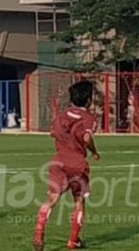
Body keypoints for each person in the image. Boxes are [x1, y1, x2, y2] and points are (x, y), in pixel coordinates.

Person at [33, 81, 100, 251]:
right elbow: (86, 138)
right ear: (88, 100)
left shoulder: (61, 115)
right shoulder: (89, 118)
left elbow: (52, 133)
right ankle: (73, 241)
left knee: (52, 198)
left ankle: (39, 231)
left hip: (58, 161)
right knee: (79, 200)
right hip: (77, 163)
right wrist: (94, 151)